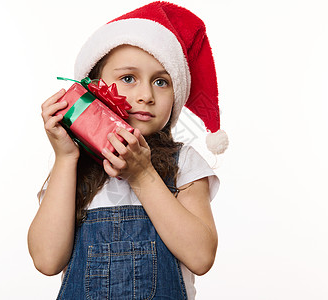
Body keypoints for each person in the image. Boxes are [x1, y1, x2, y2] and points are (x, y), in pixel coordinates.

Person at [28, 1, 228, 299]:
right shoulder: (72, 167)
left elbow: (201, 258)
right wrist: (66, 158)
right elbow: (46, 260)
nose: (146, 95)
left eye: (161, 82)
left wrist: (142, 174)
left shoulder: (183, 162)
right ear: (93, 87)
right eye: (128, 78)